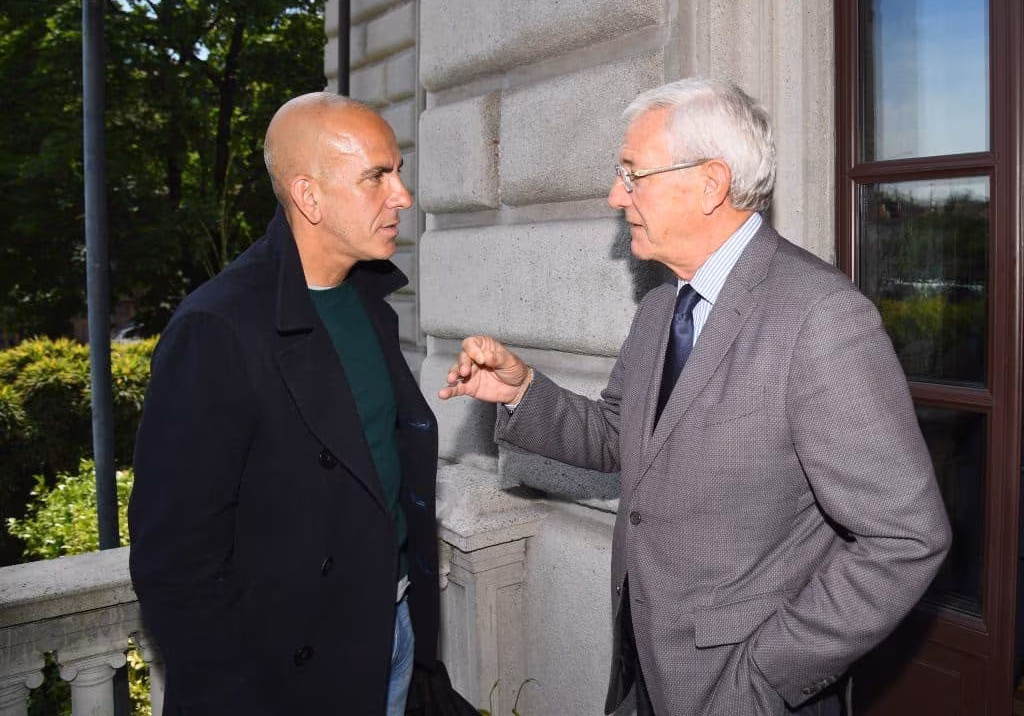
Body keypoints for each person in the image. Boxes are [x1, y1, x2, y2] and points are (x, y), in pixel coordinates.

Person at [439, 77, 951, 716]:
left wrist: (764, 674)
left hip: (745, 691)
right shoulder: (660, 306)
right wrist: (522, 392)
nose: (614, 196)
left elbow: (904, 538)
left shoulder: (820, 317)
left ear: (711, 182)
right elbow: (621, 436)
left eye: (632, 175)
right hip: (644, 670)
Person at [128, 93, 440, 715]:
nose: (402, 196)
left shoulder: (368, 301)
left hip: (392, 632)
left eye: (397, 172)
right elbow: (177, 560)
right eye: (377, 176)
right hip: (288, 678)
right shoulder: (215, 327)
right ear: (309, 196)